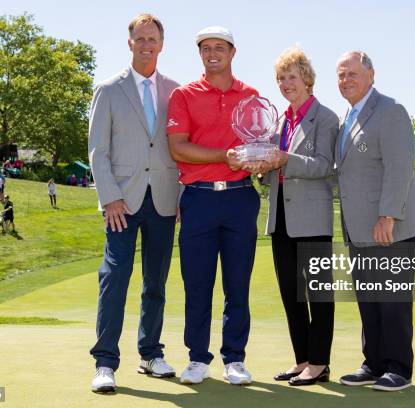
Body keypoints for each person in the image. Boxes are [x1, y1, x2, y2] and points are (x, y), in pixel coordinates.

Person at [88, 13, 180, 393]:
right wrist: (109, 197)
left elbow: (178, 149)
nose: (146, 45)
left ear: (161, 44)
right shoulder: (108, 90)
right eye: (139, 39)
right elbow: (97, 151)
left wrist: (181, 199)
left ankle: (150, 352)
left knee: (155, 282)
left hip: (163, 201)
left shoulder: (177, 91)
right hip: (121, 204)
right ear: (129, 44)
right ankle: (105, 362)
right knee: (114, 281)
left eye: (152, 39)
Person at [334, 51, 415, 392]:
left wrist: (387, 215)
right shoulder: (346, 115)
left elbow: (399, 167)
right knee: (368, 297)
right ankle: (374, 362)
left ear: (371, 74)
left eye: (352, 73)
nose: (345, 80)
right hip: (358, 227)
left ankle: (398, 368)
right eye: (340, 75)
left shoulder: (390, 111)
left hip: (389, 224)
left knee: (391, 299)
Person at [167, 26, 260, 386]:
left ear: (232, 52)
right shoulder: (184, 95)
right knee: (198, 284)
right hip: (199, 198)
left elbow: (259, 143)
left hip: (240, 197)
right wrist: (226, 155)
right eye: (205, 48)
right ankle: (197, 358)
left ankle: (234, 358)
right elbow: (179, 147)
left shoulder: (251, 95)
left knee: (238, 284)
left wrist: (253, 158)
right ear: (200, 54)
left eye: (219, 47)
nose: (212, 53)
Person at [259, 47, 339, 386]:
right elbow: (273, 170)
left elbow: (325, 166)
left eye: (292, 77)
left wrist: (284, 159)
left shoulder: (326, 118)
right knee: (291, 293)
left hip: (312, 219)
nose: (286, 83)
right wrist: (262, 168)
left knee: (317, 294)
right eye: (281, 78)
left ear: (306, 79)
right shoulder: (280, 120)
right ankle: (302, 359)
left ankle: (319, 363)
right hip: (280, 218)